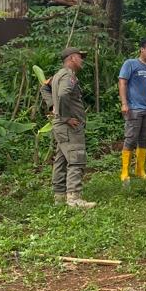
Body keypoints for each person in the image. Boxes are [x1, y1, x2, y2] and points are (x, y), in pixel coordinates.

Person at [49, 47, 97, 209]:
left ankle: (59, 196)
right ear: (72, 58)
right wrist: (65, 117)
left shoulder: (58, 75)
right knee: (76, 159)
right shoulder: (68, 75)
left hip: (60, 125)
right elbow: (63, 95)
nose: (82, 60)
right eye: (80, 57)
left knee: (61, 160)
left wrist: (53, 108)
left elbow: (45, 88)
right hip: (68, 126)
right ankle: (74, 198)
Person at [118, 39, 146, 183]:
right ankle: (124, 171)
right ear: (142, 49)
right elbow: (122, 82)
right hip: (134, 108)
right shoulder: (130, 64)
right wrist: (124, 103)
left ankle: (140, 169)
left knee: (144, 139)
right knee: (130, 138)